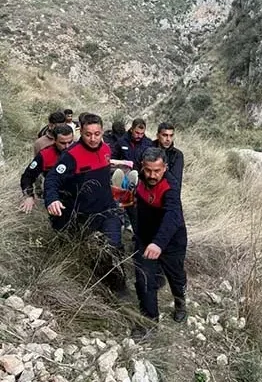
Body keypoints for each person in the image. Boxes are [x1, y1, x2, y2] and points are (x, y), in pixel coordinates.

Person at [44, 113, 129, 299]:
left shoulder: (107, 149)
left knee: (114, 246)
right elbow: (52, 179)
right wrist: (52, 199)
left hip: (108, 210)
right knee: (93, 253)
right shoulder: (71, 156)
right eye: (88, 134)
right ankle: (99, 286)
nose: (93, 138)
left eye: (97, 133)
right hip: (85, 215)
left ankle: (120, 288)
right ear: (80, 132)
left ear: (101, 132)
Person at [131, 148, 189, 339]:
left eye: (157, 171)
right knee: (143, 280)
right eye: (148, 170)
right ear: (143, 167)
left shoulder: (171, 187)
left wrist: (158, 243)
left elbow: (173, 217)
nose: (152, 175)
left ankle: (180, 302)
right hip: (145, 238)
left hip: (171, 241)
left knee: (176, 277)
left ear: (165, 167)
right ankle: (150, 322)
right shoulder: (138, 177)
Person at [19, 124, 74, 229]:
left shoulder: (80, 151)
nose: (67, 146)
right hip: (55, 198)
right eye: (62, 143)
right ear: (54, 140)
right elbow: (27, 176)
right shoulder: (45, 155)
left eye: (70, 142)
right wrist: (29, 196)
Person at [154, 122, 185, 192]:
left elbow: (176, 182)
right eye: (165, 135)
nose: (168, 139)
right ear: (158, 135)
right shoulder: (148, 148)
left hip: (166, 192)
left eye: (171, 136)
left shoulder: (177, 155)